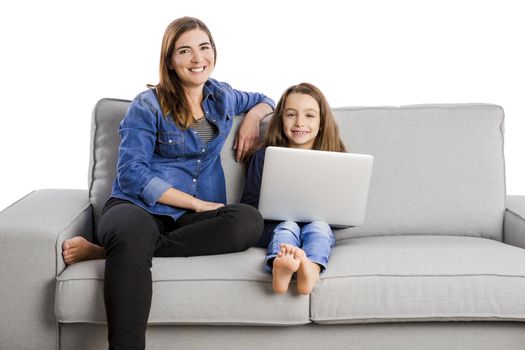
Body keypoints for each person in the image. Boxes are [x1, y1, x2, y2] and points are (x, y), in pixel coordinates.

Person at [62, 16, 274, 349]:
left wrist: (253, 118)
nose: (197, 59)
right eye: (184, 51)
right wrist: (194, 203)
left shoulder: (222, 98)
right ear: (171, 62)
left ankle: (112, 252)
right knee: (130, 233)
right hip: (138, 207)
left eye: (204, 48)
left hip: (190, 223)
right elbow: (132, 172)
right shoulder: (148, 105)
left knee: (248, 221)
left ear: (214, 52)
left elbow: (265, 98)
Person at [241, 82, 346, 295]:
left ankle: (311, 268)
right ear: (280, 119)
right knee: (288, 225)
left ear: (322, 122)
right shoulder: (263, 157)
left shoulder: (337, 158)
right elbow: (249, 206)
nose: (299, 123)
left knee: (319, 227)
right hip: (273, 227)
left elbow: (343, 214)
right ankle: (281, 265)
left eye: (309, 116)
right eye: (291, 114)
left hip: (317, 226)